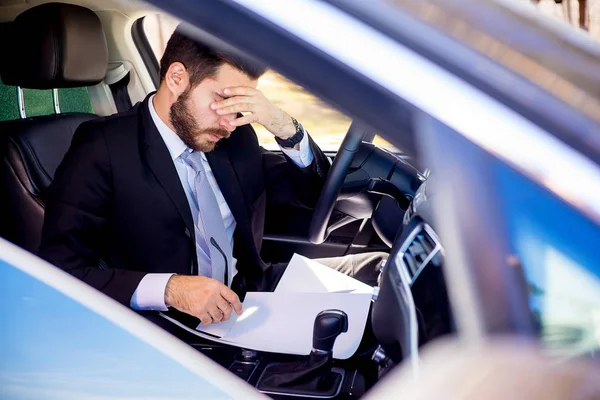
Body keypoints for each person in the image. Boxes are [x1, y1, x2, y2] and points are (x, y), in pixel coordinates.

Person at [39, 26, 385, 328]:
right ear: (177, 78)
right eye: (223, 99)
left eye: (241, 104)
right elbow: (59, 272)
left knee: (385, 271)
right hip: (171, 325)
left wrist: (283, 125)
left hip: (251, 294)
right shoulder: (102, 148)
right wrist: (171, 289)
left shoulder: (235, 140)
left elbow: (312, 197)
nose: (231, 121)